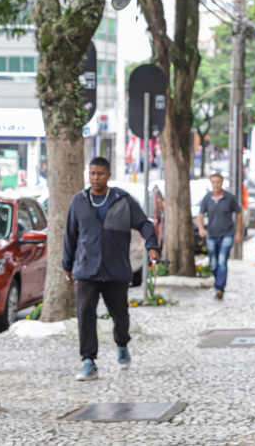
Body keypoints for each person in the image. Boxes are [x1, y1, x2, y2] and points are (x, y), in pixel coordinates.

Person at [63, 157, 160, 381]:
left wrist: (152, 246)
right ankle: (89, 361)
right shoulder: (79, 201)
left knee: (120, 316)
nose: (95, 178)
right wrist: (67, 265)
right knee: (85, 314)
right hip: (86, 270)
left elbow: (144, 223)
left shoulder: (123, 200)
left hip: (116, 271)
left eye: (100, 174)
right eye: (92, 173)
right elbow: (70, 235)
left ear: (108, 175)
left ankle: (122, 342)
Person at [197, 172, 242, 300]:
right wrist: (201, 229)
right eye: (213, 182)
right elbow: (200, 215)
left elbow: (239, 213)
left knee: (222, 260)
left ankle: (219, 288)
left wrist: (238, 232)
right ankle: (218, 283)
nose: (216, 185)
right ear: (211, 183)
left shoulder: (229, 198)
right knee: (214, 263)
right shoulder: (207, 199)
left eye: (218, 182)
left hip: (227, 234)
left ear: (222, 182)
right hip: (211, 234)